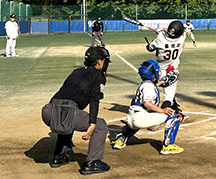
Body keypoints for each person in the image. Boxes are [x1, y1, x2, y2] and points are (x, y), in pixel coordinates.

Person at [41, 47, 111, 175]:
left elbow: (61, 93)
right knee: (101, 126)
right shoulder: (98, 75)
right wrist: (93, 123)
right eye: (104, 60)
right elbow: (95, 99)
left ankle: (59, 157)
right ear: (99, 62)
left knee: (67, 119)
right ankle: (92, 162)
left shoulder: (76, 72)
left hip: (48, 110)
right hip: (65, 111)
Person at [112, 60, 183, 154]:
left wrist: (161, 82)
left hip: (131, 119)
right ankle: (168, 146)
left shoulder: (144, 84)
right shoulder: (148, 86)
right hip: (140, 118)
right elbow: (147, 103)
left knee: (137, 120)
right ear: (153, 73)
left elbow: (151, 89)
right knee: (174, 116)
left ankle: (120, 140)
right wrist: (162, 110)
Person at [146, 20, 187, 119]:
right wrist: (164, 33)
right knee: (168, 97)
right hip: (172, 72)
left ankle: (174, 110)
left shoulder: (160, 40)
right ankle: (158, 118)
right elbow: (179, 34)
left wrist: (160, 35)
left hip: (158, 71)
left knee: (152, 91)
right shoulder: (182, 39)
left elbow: (149, 48)